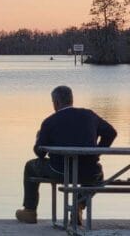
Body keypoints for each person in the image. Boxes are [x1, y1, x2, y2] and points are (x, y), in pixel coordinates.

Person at [15, 85, 117, 224]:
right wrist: (96, 154)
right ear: (71, 100)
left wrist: (38, 138)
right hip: (88, 171)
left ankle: (30, 211)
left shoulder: (50, 121)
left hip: (60, 171)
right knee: (98, 174)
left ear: (56, 103)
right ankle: (79, 205)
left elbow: (40, 153)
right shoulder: (89, 115)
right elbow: (111, 133)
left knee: (30, 166)